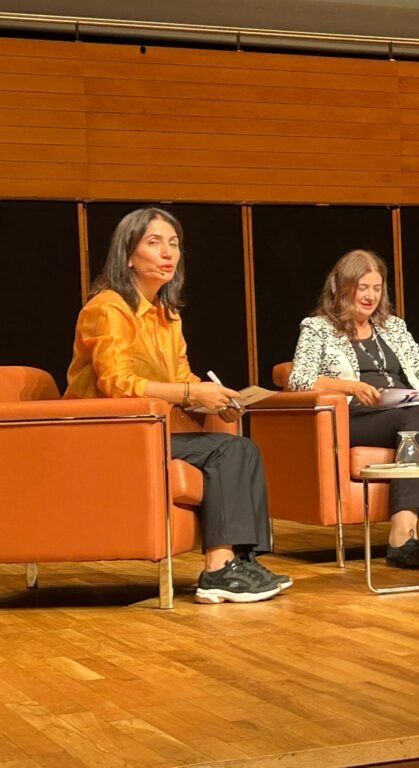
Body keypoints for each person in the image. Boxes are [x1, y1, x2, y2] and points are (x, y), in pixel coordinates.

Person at [65, 208, 290, 604]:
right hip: (107, 434)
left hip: (152, 431)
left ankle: (240, 559)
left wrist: (217, 399)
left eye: (174, 244)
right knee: (229, 449)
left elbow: (183, 377)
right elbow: (116, 384)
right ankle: (218, 571)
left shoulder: (167, 316)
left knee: (242, 446)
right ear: (128, 255)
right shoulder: (108, 308)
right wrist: (191, 396)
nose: (168, 253)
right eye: (154, 243)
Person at [288, 249, 419, 570]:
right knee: (417, 417)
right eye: (363, 288)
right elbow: (298, 380)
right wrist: (351, 386)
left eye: (377, 288)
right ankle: (401, 537)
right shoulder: (318, 328)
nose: (371, 296)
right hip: (354, 415)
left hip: (399, 406)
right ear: (342, 287)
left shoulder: (393, 328)